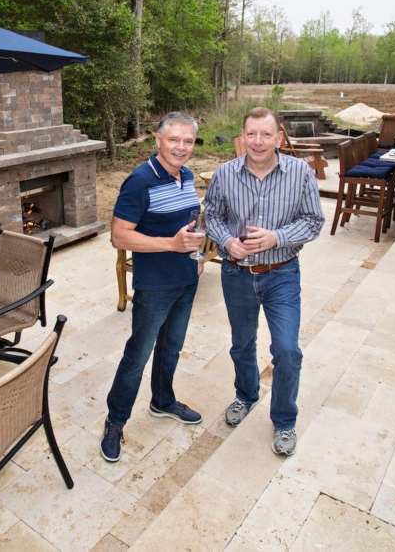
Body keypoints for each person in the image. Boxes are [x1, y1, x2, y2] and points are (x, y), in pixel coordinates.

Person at [203, 107, 325, 456]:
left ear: (279, 138)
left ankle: (285, 419)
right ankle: (246, 394)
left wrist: (277, 237)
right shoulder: (225, 175)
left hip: (282, 274)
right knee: (242, 344)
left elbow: (313, 221)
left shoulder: (300, 173)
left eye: (266, 134)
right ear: (242, 137)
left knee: (287, 350)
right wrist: (227, 242)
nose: (258, 141)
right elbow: (212, 216)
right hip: (236, 275)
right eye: (252, 134)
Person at [101, 111, 206, 462]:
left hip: (186, 280)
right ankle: (115, 420)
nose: (181, 147)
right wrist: (171, 245)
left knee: (171, 348)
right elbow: (119, 237)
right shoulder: (139, 181)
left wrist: (198, 253)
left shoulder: (186, 175)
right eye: (174, 139)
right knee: (138, 355)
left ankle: (162, 401)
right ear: (157, 140)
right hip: (155, 286)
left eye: (188, 141)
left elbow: (188, 222)